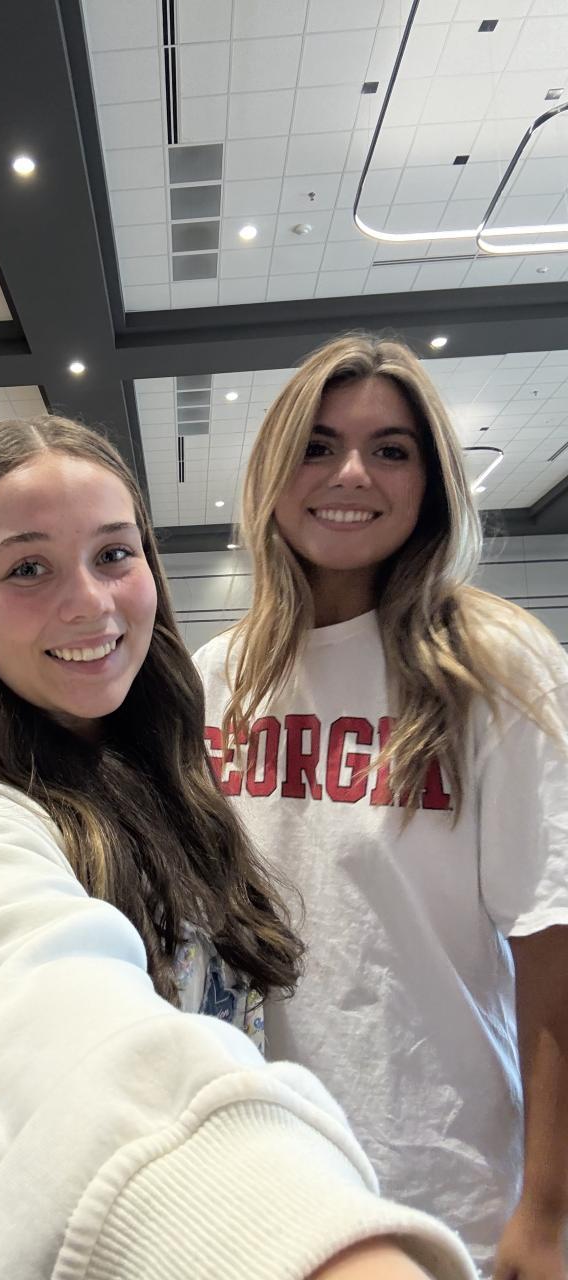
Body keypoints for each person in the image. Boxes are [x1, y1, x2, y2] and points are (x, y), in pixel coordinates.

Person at [0, 415, 475, 1280]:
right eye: (28, 568)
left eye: (114, 554)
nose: (90, 602)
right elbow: (46, 1031)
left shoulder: (166, 765)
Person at [193, 336, 568, 1280]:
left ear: (430, 483)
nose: (351, 472)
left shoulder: (494, 669)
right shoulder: (218, 678)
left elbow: (553, 946)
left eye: (390, 449)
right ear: (273, 474)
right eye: (317, 446)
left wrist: (548, 1211)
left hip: (438, 1180)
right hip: (257, 1173)